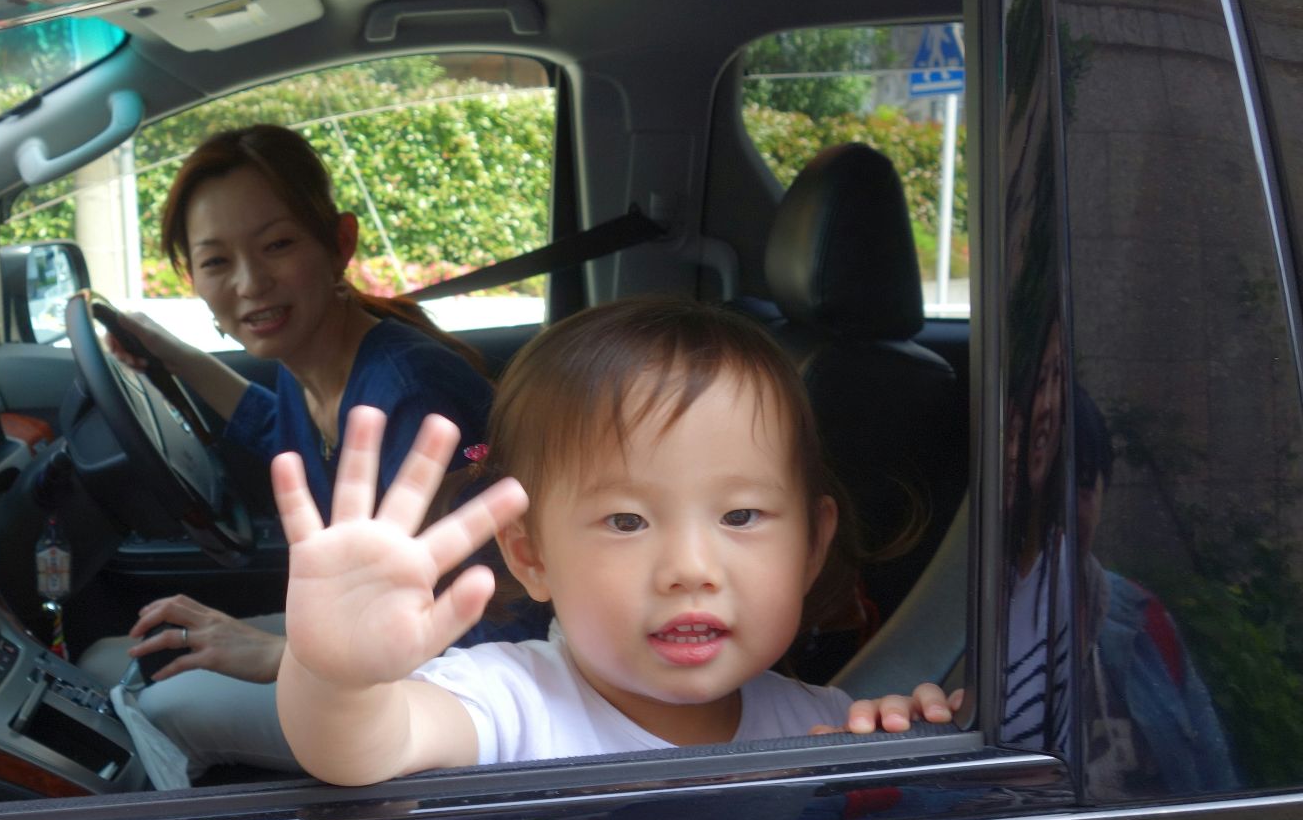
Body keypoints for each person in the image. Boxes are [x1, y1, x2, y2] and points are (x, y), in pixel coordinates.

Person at [276, 298, 954, 785]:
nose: (690, 569)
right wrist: (336, 677)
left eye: (742, 516)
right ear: (530, 556)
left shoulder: (827, 726)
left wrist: (908, 748)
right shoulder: (509, 703)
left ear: (811, 548)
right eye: (627, 522)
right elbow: (363, 746)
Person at [80, 123, 502, 778]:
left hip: (457, 692)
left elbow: (461, 627)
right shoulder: (311, 363)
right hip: (372, 635)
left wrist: (274, 655)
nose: (250, 283)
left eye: (277, 245)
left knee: (158, 702)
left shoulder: (413, 397)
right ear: (191, 275)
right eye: (217, 261)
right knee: (114, 658)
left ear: (339, 244)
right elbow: (274, 425)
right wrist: (172, 354)